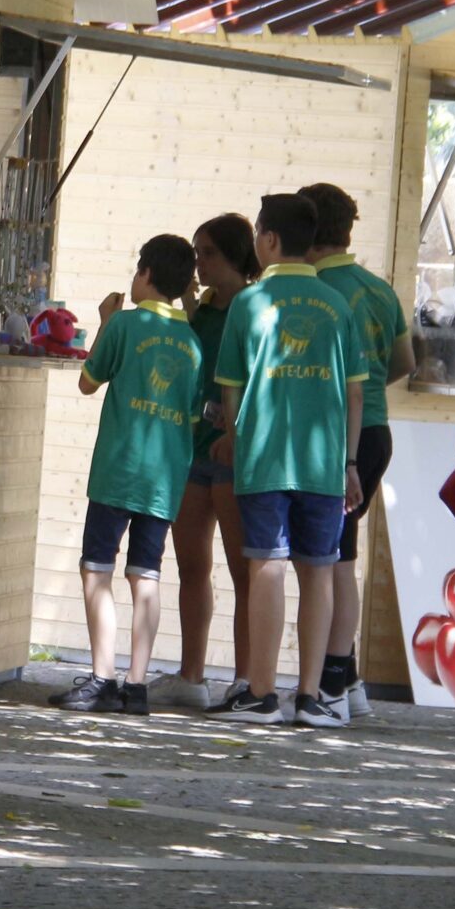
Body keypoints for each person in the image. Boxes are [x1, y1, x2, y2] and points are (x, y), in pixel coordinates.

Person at [207, 193, 364, 727]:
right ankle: (313, 695)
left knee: (267, 565)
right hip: (324, 464)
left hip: (265, 459)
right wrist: (349, 463)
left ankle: (262, 693)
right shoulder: (339, 304)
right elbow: (357, 393)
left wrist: (235, 433)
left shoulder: (249, 304)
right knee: (319, 571)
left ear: (269, 240)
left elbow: (230, 388)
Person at [50, 234, 203, 715]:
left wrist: (104, 324)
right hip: (165, 477)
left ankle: (102, 678)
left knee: (97, 568)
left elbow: (87, 382)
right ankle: (136, 686)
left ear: (146, 275)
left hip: (119, 469)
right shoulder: (193, 343)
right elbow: (193, 416)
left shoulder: (125, 325)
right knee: (147, 574)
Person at [300, 182, 413, 720]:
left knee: (335, 560)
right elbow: (404, 362)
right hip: (375, 432)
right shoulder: (378, 288)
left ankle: (332, 682)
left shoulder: (315, 289)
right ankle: (350, 681)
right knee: (343, 553)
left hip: (336, 434)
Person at [158, 214, 260, 710]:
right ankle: (191, 674)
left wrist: (237, 434)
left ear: (237, 256)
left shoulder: (251, 305)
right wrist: (186, 304)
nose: (198, 262)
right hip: (193, 446)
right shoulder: (202, 308)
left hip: (234, 452)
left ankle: (244, 678)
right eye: (196, 252)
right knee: (191, 563)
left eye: (208, 253)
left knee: (245, 571)